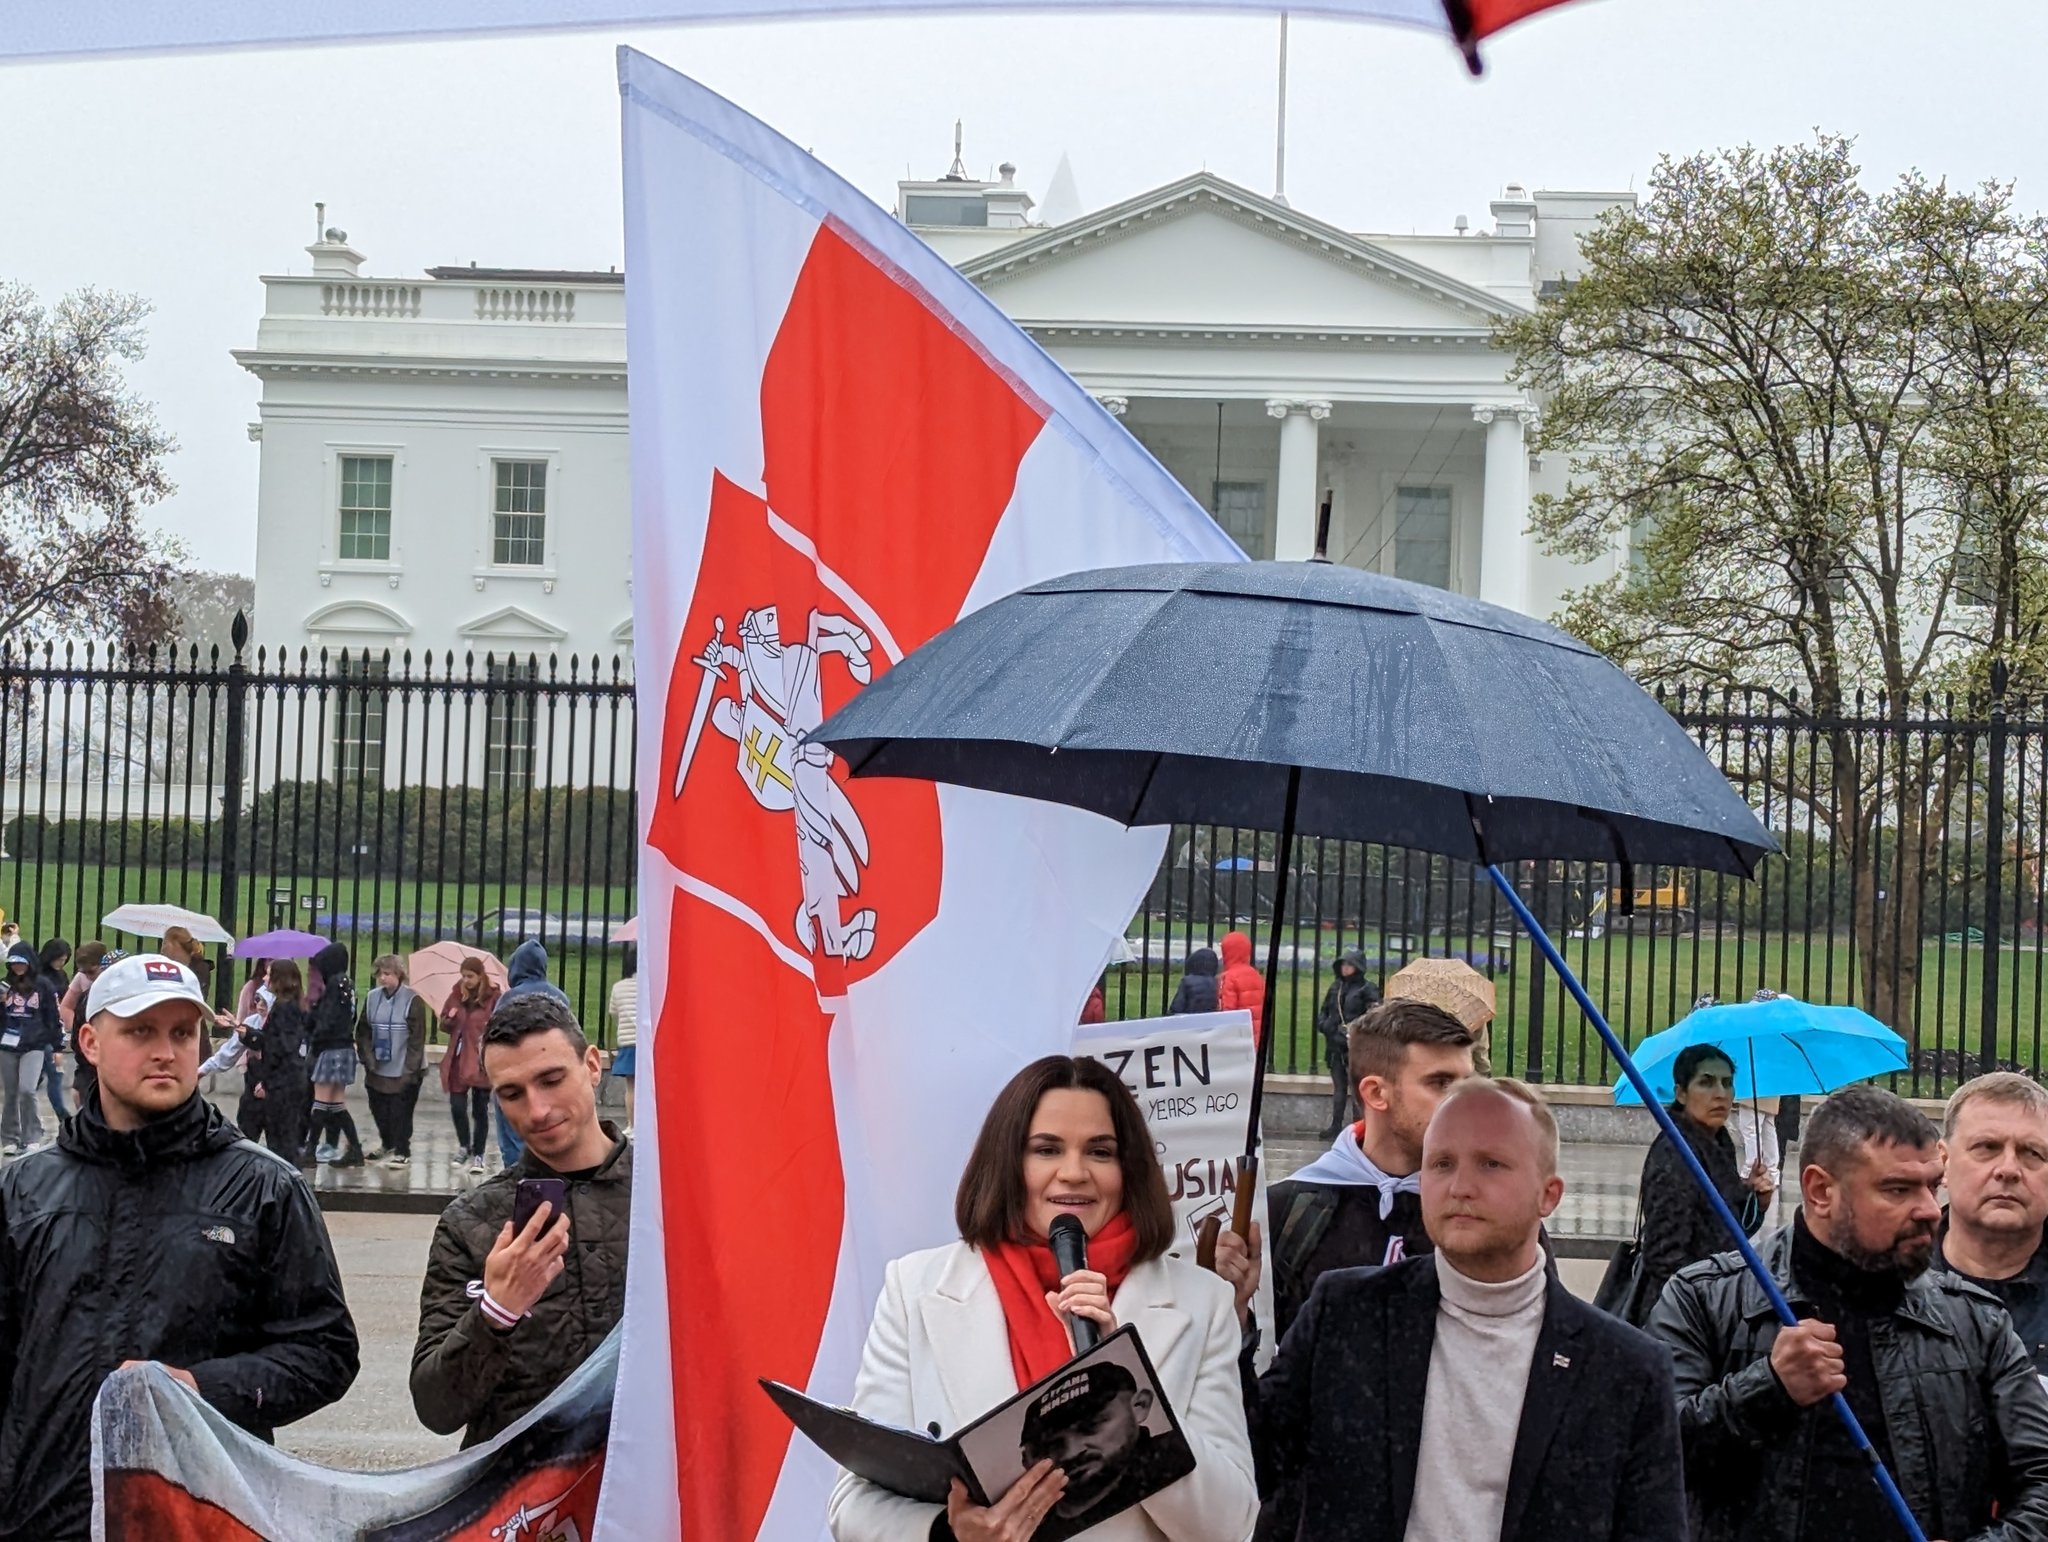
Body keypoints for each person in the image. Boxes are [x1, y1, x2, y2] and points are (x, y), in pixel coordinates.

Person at [827, 1055, 1259, 1542]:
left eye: (1100, 1152)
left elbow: (1229, 1526)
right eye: (1047, 1150)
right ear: (1010, 1162)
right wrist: (950, 1533)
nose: (1073, 1173)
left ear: (1128, 1168)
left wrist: (1125, 1369)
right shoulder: (916, 1288)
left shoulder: (1202, 1303)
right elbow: (853, 1504)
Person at [0, 952, 357, 1540]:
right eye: (140, 1031)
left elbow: (326, 1353)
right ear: (89, 1041)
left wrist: (200, 1388)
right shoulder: (25, 1188)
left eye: (182, 1032)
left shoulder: (264, 1188)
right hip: (43, 1516)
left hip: (199, 1520)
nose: (165, 1051)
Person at [1238, 1078, 1685, 1541]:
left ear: (1548, 1195)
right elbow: (1250, 1461)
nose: (1461, 1187)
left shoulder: (1626, 1370)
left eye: (1491, 1164)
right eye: (1441, 1164)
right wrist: (1230, 1325)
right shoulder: (1347, 1313)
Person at [1650, 1084, 2048, 1542]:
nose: (1928, 1211)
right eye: (1897, 1189)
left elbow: (2040, 1482)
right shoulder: (1706, 1298)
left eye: (1931, 1186)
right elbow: (1649, 1457)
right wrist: (1767, 1389)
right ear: (1821, 1191)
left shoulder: (1976, 1322)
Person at [411, 991, 631, 1447]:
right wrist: (495, 1311)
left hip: (649, 1493)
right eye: (511, 1093)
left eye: (551, 1079)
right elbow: (437, 1408)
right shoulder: (470, 1223)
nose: (537, 1110)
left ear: (593, 1066)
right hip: (523, 1500)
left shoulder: (667, 1198)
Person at [1265, 1000, 1476, 1340]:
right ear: (1377, 1093)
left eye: (1467, 1083)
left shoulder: (1489, 1206)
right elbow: (1257, 1369)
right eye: (1440, 1083)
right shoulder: (1289, 1212)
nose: (1464, 1101)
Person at [1626, 1040, 1771, 1324]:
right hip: (1681, 1319)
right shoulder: (1677, 1154)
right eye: (1706, 1082)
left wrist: (1755, 1200)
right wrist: (1704, 1308)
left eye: (1727, 1083)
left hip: (1711, 1306)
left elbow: (1728, 1232)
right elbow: (1665, 1256)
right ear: (1681, 1093)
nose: (1720, 1094)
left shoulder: (1716, 1143)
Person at [1937, 1071, 2048, 1373]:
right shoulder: (1887, 1282)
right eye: (1987, 1148)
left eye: (2032, 1153)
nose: (2008, 1169)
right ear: (1943, 1163)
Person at [492, 939, 565, 1167]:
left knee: (512, 1124)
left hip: (516, 1069)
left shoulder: (509, 998)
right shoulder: (560, 996)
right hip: (550, 1070)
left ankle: (516, 1170)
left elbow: (494, 1034)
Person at [356, 953, 428, 1167]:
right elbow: (363, 1031)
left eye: (387, 974)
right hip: (378, 1066)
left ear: (398, 974)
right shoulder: (372, 998)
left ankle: (402, 1149)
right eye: (379, 974)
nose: (382, 978)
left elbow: (417, 1038)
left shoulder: (412, 1000)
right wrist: (368, 1059)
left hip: (404, 1067)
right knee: (379, 1108)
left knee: (401, 1111)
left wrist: (410, 1069)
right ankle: (387, 1143)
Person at [306, 941, 364, 1166]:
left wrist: (314, 1035)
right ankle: (355, 1149)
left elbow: (327, 1020)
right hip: (345, 1047)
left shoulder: (333, 985)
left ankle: (310, 1151)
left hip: (330, 1048)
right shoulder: (348, 985)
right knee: (337, 1102)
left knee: (321, 1101)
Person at [440, 956, 500, 1175]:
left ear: (480, 975)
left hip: (480, 1061)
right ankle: (464, 1145)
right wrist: (449, 1019)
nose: (466, 980)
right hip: (457, 1059)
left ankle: (479, 1153)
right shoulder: (457, 994)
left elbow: (499, 1025)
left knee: (479, 1109)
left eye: (470, 976)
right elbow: (444, 1024)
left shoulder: (493, 997)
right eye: (463, 975)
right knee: (457, 1106)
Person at [0, 941, 59, 1155]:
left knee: (27, 1090)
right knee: (10, 1093)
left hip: (34, 1044)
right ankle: (9, 1137)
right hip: (7, 1045)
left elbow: (52, 1016)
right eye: (13, 963)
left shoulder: (43, 985)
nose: (17, 967)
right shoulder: (4, 985)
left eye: (21, 963)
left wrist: (57, 1045)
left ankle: (32, 1134)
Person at [253, 958, 312, 1164]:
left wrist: (266, 1081)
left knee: (282, 1137)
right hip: (288, 1079)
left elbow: (280, 1047)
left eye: (269, 974)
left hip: (283, 1081)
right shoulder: (288, 1005)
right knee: (282, 1135)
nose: (264, 978)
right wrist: (247, 1033)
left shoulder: (285, 1008)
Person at [1313, 952, 1377, 1139]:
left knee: (1358, 1089)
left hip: (1356, 1047)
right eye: (1343, 964)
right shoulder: (1336, 987)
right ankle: (1336, 1125)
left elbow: (1375, 1015)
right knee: (1339, 1088)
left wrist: (1353, 1028)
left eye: (1350, 964)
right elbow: (1323, 1012)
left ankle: (1359, 1128)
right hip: (1334, 1045)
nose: (1345, 968)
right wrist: (1327, 1026)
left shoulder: (1368, 988)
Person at [55, 941, 108, 1122]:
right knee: (79, 1094)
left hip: (109, 1043)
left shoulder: (114, 979)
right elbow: (66, 1007)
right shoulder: (82, 978)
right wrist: (78, 1030)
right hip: (89, 1044)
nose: (88, 977)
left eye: (91, 972)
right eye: (83, 972)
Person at [33, 939, 69, 1125]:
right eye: (58, 959)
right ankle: (62, 1114)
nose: (61, 963)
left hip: (56, 1028)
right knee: (54, 1073)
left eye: (64, 960)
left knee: (49, 1073)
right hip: (42, 1030)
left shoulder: (61, 975)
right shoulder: (39, 977)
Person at [607, 946, 637, 1137]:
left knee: (631, 1087)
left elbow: (613, 1012)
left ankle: (632, 1125)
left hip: (627, 1042)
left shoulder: (619, 987)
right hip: (649, 1044)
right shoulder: (653, 984)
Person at [1216, 930, 1265, 1030]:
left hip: (1239, 1034)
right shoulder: (1256, 975)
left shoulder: (1228, 977)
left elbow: (1227, 1011)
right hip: (1257, 1031)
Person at [1165, 948, 1219, 1016]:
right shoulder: (1217, 982)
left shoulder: (1187, 981)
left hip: (1190, 1021)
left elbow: (1177, 1007)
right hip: (1212, 1021)